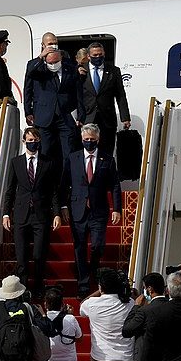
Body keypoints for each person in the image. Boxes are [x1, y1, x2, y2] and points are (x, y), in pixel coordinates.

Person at [61, 124, 122, 297]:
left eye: (92, 140)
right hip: (77, 210)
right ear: (82, 140)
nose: (89, 142)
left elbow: (115, 185)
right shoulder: (72, 158)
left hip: (99, 210)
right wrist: (64, 206)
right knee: (79, 247)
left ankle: (93, 273)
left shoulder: (107, 159)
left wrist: (117, 208)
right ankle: (83, 285)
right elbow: (64, 184)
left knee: (97, 246)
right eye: (86, 139)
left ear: (98, 140)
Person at [2, 127, 62, 296]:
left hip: (40, 214)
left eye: (35, 141)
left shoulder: (48, 163)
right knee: (21, 256)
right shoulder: (16, 163)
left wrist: (56, 213)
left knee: (38, 254)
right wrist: (6, 213)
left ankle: (38, 287)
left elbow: (53, 191)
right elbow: (10, 190)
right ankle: (22, 289)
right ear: (24, 141)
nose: (33, 144)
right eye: (30, 141)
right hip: (21, 214)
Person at [24, 35, 85, 162]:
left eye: (55, 43)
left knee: (69, 152)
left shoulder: (70, 66)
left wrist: (80, 115)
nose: (53, 45)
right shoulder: (36, 66)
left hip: (65, 116)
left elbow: (78, 92)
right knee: (45, 152)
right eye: (50, 43)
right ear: (43, 45)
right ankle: (47, 180)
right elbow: (28, 89)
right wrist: (28, 111)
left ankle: (66, 181)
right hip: (44, 116)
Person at [80, 42, 130, 156]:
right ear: (88, 56)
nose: (98, 57)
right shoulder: (81, 70)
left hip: (107, 118)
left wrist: (125, 117)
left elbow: (120, 95)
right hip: (87, 117)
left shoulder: (114, 71)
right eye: (95, 55)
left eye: (100, 54)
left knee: (107, 151)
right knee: (87, 152)